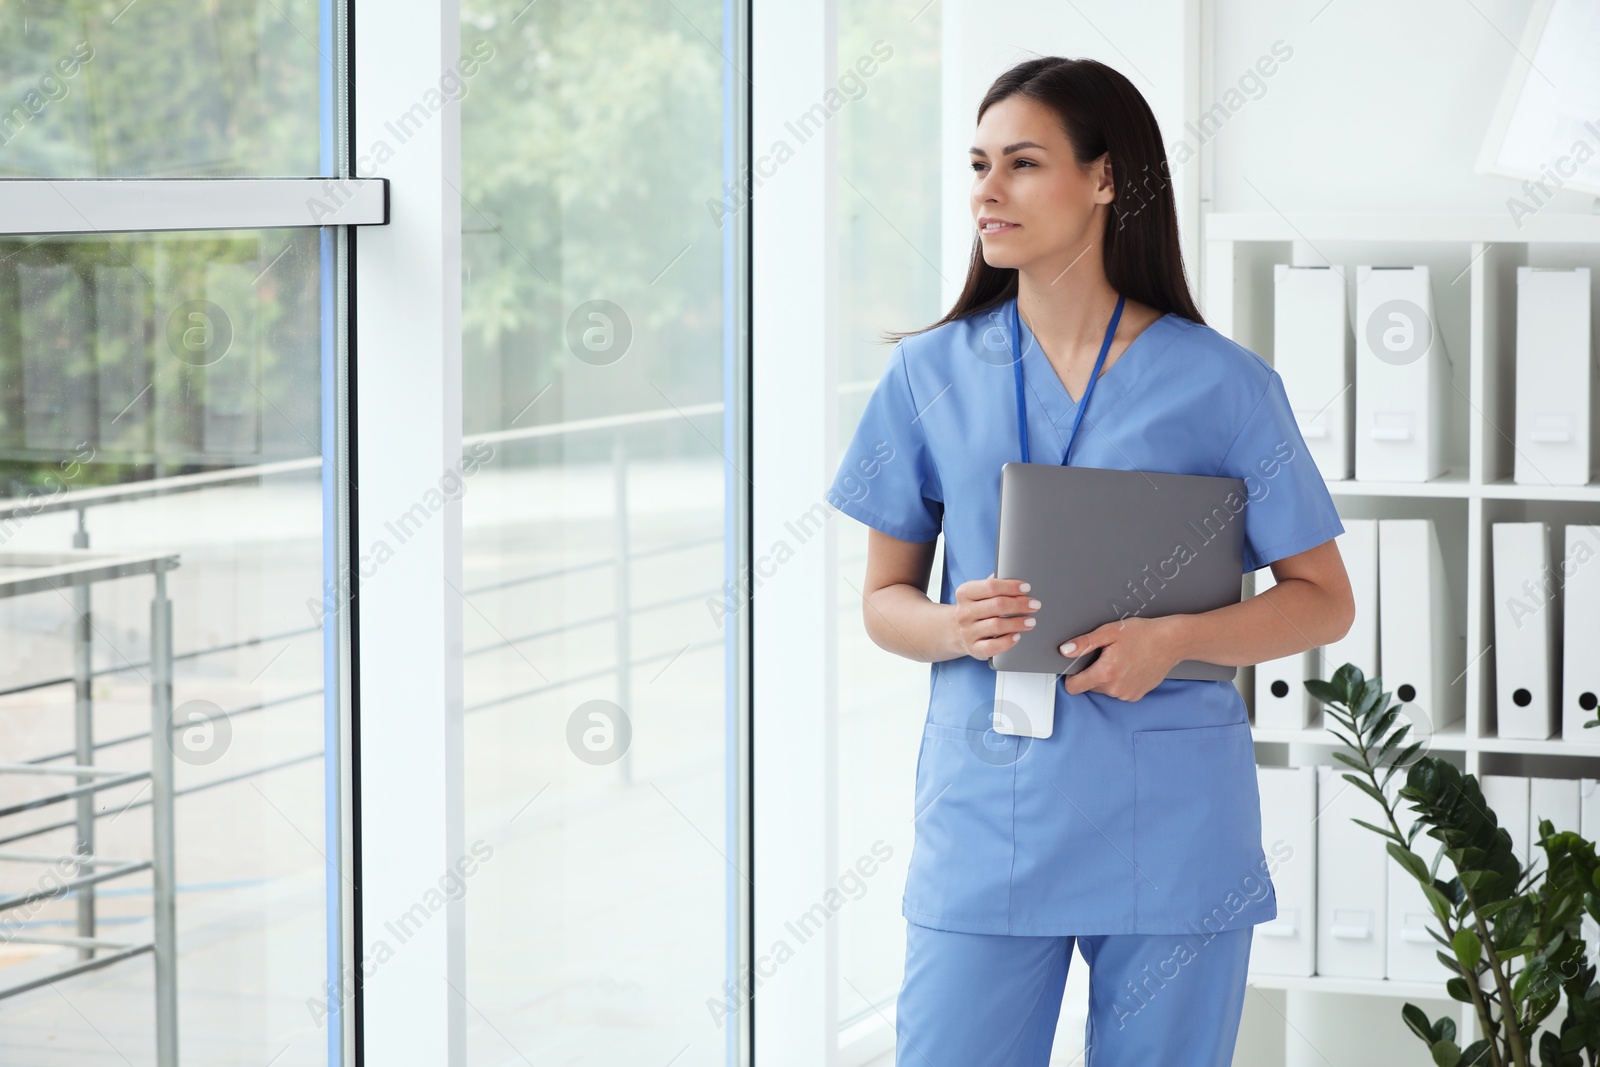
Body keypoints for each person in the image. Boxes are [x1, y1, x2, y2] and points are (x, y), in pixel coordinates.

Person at [826, 56, 1356, 1066]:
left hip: (1173, 823)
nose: (986, 189)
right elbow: (883, 600)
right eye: (978, 164)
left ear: (1105, 179)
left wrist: (1178, 638)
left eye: (1021, 164)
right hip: (990, 818)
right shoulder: (924, 373)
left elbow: (1322, 599)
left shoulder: (1224, 384)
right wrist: (950, 624)